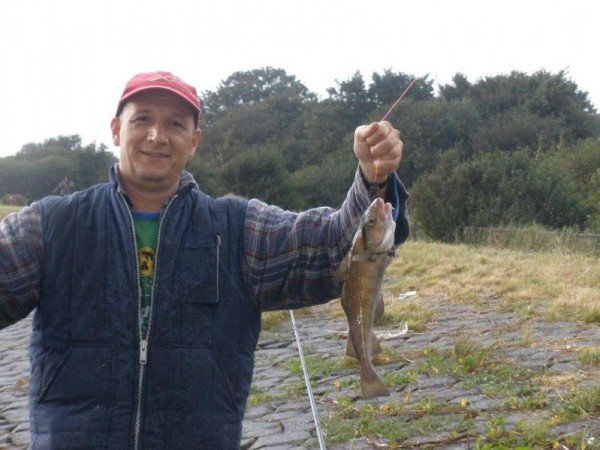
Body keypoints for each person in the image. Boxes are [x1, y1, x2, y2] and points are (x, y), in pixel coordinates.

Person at [0, 71, 409, 449]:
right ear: (115, 129)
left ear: (194, 141)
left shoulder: (236, 229)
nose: (157, 136)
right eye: (142, 119)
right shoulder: (51, 225)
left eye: (176, 124)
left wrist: (372, 177)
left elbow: (331, 246)